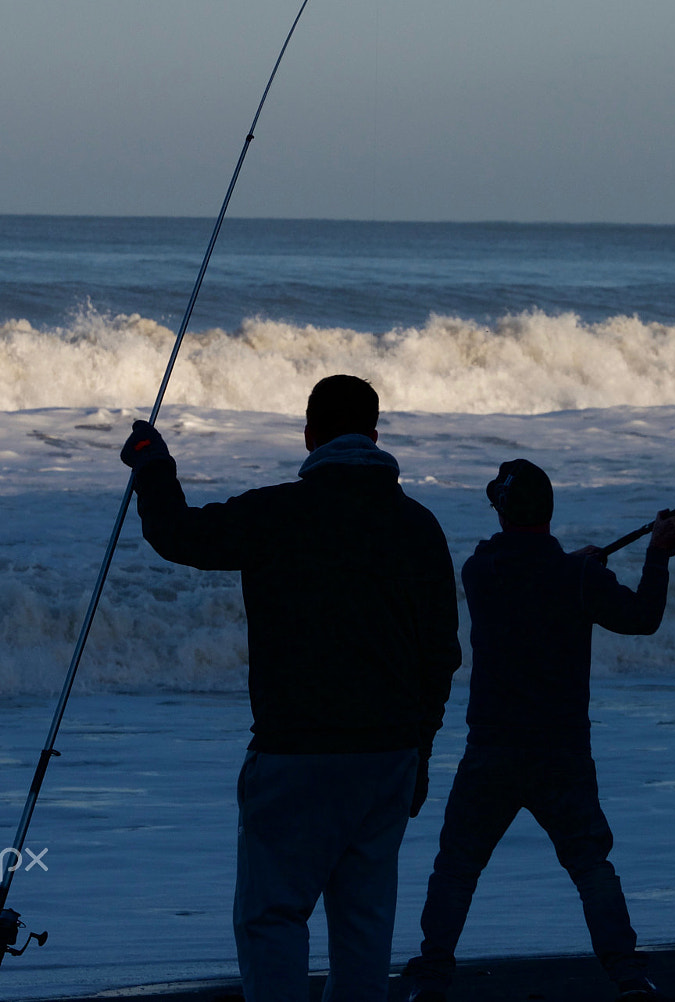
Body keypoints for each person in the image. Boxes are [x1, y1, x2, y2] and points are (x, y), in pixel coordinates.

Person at [120, 374, 460, 1002]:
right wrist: (423, 752)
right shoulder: (419, 527)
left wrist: (153, 465)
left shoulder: (276, 513)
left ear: (308, 435)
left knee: (273, 916)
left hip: (296, 751)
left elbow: (178, 535)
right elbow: (442, 655)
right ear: (376, 436)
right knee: (363, 928)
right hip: (389, 755)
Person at [402, 459, 675, 1002]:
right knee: (590, 865)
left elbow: (522, 563)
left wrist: (576, 566)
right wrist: (657, 552)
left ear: (503, 510)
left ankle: (430, 976)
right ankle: (628, 975)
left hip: (491, 747)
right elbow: (642, 617)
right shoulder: (578, 577)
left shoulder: (479, 570)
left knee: (458, 866)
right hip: (561, 749)